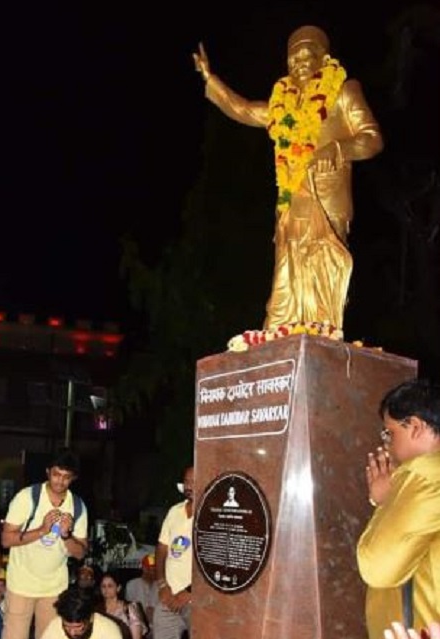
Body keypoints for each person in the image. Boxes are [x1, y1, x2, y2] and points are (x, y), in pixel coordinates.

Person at [193, 25, 384, 330]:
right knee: (287, 268)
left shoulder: (344, 92)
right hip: (292, 202)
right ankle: (281, 331)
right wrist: (209, 79)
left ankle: (322, 332)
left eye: (308, 54)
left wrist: (335, 149)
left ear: (324, 58)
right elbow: (244, 109)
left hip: (327, 200)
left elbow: (372, 139)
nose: (300, 62)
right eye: (293, 58)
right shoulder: (284, 108)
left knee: (324, 271)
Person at [357, 379, 440, 639]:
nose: (386, 445)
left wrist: (384, 501)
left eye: (389, 432)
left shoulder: (425, 474)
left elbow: (378, 566)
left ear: (415, 426)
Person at [1, 448, 88, 639]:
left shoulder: (78, 506)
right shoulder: (27, 497)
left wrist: (66, 536)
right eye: (56, 474)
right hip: (21, 585)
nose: (60, 480)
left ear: (73, 478)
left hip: (54, 588)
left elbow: (81, 553)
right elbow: (6, 540)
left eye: (66, 477)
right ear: (48, 471)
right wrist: (42, 530)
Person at [154, 466, 194, 639]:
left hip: (195, 601)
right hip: (168, 598)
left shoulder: (212, 514)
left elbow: (215, 561)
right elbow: (162, 549)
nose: (189, 486)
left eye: (194, 481)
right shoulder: (174, 511)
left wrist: (190, 591)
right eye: (187, 481)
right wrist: (162, 585)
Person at [40, 587, 122, 639]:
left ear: (90, 619)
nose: (72, 632)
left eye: (78, 627)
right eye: (66, 626)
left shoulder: (109, 631)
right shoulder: (55, 626)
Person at [96, 571, 148, 639]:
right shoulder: (97, 610)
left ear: (118, 588)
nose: (106, 589)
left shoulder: (129, 609)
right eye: (103, 586)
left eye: (110, 586)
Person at [125, 554, 158, 637]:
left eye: (155, 569)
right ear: (144, 568)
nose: (153, 572)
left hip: (157, 629)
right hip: (139, 630)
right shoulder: (132, 585)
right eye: (150, 569)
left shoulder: (161, 587)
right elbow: (128, 609)